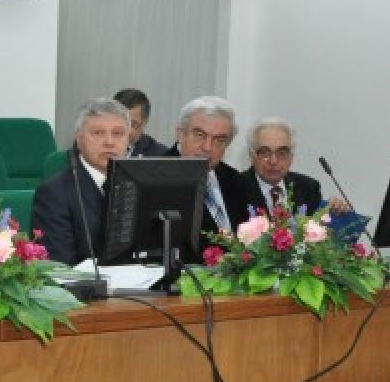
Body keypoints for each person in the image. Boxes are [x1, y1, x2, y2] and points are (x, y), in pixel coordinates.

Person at [32, 99, 130, 266]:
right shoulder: (54, 193)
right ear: (78, 138)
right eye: (98, 133)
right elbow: (59, 266)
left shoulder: (139, 187)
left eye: (118, 133)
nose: (109, 142)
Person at [167, 96, 252, 257]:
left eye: (219, 140)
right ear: (181, 134)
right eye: (200, 135)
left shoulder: (235, 179)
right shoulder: (155, 177)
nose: (207, 147)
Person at [238, 117, 349, 215]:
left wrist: (332, 213)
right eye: (264, 152)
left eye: (282, 152)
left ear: (291, 157)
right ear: (251, 155)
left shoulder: (308, 188)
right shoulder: (235, 188)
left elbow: (321, 228)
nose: (273, 161)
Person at [113, 88, 169, 157]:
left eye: (132, 124)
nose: (124, 130)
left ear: (145, 122)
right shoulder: (101, 146)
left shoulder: (161, 155)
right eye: (119, 122)